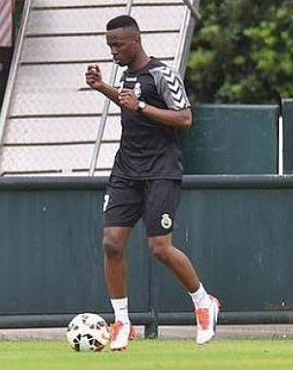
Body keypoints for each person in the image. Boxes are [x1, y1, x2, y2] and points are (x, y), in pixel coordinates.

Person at [85, 15, 220, 351]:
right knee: (112, 243)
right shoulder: (126, 76)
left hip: (161, 169)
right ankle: (122, 321)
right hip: (126, 169)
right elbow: (130, 104)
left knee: (159, 248)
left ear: (136, 40)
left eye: (117, 45)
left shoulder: (163, 74)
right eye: (109, 46)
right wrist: (104, 88)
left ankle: (204, 303)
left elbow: (185, 118)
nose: (113, 51)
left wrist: (141, 105)